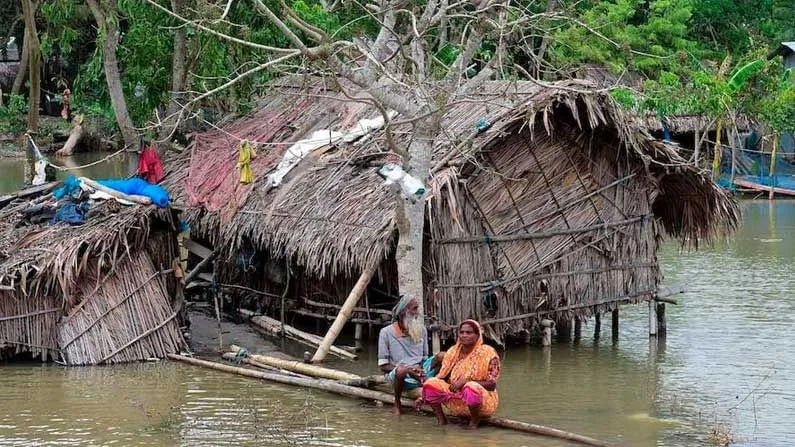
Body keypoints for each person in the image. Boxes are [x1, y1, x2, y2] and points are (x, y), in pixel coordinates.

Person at [421, 319, 500, 429]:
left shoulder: (488, 353)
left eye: (469, 333)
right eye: (462, 332)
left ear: (477, 335)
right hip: (456, 400)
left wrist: (466, 382)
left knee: (470, 387)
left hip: (482, 403)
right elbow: (443, 377)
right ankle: (441, 420)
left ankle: (474, 422)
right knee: (431, 383)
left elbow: (492, 385)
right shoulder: (453, 352)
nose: (464, 335)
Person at [378, 293, 439, 415]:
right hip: (400, 375)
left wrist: (420, 370)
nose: (417, 313)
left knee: (442, 356)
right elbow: (383, 366)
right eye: (414, 309)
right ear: (402, 312)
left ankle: (435, 388)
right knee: (401, 370)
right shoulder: (386, 332)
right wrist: (409, 370)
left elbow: (424, 358)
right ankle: (397, 402)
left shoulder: (421, 329)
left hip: (420, 371)